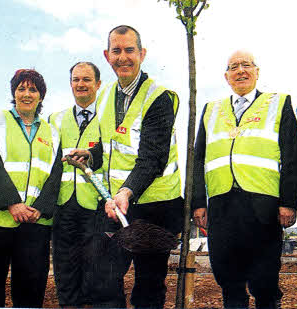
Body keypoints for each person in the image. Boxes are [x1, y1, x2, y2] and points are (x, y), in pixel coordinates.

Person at [68, 25, 183, 308]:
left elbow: (153, 157)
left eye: (129, 50)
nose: (123, 57)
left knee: (148, 284)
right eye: (116, 51)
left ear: (142, 54)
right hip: (117, 203)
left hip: (156, 205)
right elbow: (111, 145)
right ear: (107, 56)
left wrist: (126, 192)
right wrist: (90, 155)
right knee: (102, 274)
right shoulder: (105, 94)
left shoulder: (160, 97)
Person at [191, 50, 297, 309]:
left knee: (264, 282)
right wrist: (198, 202)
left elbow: (292, 156)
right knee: (229, 281)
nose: (241, 71)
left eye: (246, 65)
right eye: (234, 67)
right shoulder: (211, 110)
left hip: (263, 208)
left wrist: (289, 202)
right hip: (222, 207)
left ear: (257, 71)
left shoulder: (279, 102)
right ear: (226, 76)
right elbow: (197, 159)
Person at [0, 69, 62, 307]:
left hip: (35, 222)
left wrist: (41, 208)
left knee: (30, 291)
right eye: (21, 88)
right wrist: (12, 203)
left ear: (41, 96)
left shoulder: (52, 132)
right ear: (13, 92)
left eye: (33, 89)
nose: (26, 94)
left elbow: (55, 174)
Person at [50, 62, 110, 307]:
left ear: (97, 84)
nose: (81, 84)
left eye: (86, 79)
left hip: (96, 203)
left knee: (95, 268)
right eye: (76, 79)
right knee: (65, 266)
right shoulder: (55, 119)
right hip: (64, 204)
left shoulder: (108, 118)